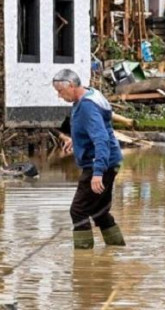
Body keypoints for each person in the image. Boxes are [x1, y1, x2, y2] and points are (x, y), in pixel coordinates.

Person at [51, 69, 125, 249]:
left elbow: (101, 139)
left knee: (78, 210)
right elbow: (96, 128)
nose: (59, 96)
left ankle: (83, 258)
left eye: (60, 91)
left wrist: (98, 172)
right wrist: (76, 141)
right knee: (99, 212)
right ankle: (116, 248)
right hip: (109, 161)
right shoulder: (89, 95)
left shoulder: (87, 106)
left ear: (71, 85)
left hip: (99, 163)